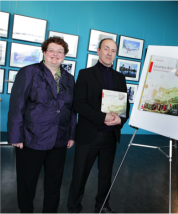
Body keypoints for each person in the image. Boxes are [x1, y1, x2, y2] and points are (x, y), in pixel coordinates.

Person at [7, 36, 76, 214]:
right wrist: (16, 136)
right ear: (44, 52)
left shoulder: (69, 79)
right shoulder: (28, 72)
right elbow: (17, 105)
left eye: (60, 51)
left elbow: (71, 110)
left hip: (59, 139)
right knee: (27, 182)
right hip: (31, 138)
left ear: (64, 55)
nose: (55, 54)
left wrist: (71, 134)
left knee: (54, 183)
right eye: (51, 50)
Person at [67, 38, 130, 214]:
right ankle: (73, 208)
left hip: (110, 136)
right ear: (98, 51)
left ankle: (102, 207)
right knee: (80, 174)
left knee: (105, 177)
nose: (110, 53)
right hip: (89, 135)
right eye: (106, 49)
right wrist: (102, 117)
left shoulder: (120, 77)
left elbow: (125, 105)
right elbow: (79, 104)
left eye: (113, 50)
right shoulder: (85, 74)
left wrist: (121, 120)